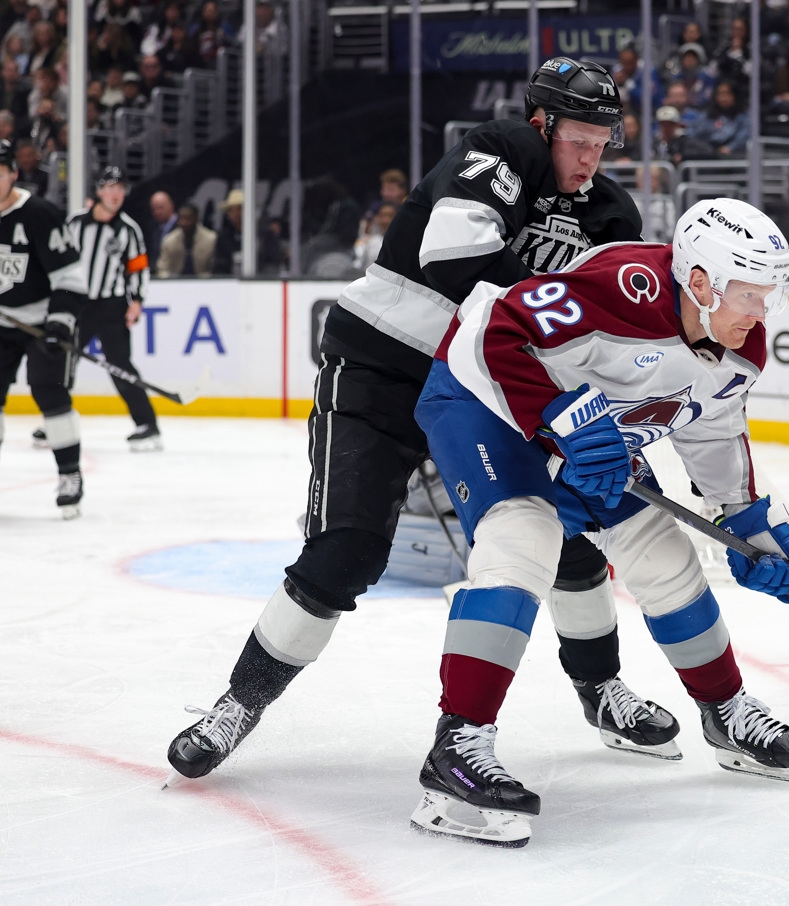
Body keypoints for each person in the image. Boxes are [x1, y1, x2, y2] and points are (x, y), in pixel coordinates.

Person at [164, 58, 662, 785]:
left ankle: (602, 689)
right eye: (578, 139)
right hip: (384, 367)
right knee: (347, 551)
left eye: (602, 142)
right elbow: (453, 257)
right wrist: (551, 313)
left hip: (486, 393)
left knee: (563, 541)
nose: (591, 157)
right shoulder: (501, 150)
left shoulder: (611, 215)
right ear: (541, 124)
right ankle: (238, 704)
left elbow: (605, 335)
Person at [411, 198, 789, 846]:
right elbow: (492, 333)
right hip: (485, 399)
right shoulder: (624, 288)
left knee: (663, 554)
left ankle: (725, 711)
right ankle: (456, 747)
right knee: (523, 538)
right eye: (750, 295)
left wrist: (744, 520)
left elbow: (712, 431)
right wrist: (560, 417)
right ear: (701, 282)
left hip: (584, 433)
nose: (761, 313)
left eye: (771, 296)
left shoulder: (742, 345)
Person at [0, 139, 88, 517]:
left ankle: (69, 474)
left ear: (13, 174)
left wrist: (59, 323)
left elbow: (70, 278)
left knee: (49, 392)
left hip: (41, 323)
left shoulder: (39, 214)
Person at [63, 166, 159, 451]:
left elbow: (138, 268)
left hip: (111, 305)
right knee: (63, 361)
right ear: (99, 191)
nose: (116, 194)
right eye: (110, 188)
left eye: (120, 189)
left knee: (120, 366)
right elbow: (58, 259)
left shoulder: (128, 229)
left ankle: (147, 425)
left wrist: (137, 301)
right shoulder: (75, 223)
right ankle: (56, 418)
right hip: (78, 303)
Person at [155, 204, 216, 277]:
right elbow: (162, 267)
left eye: (188, 218)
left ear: (196, 219)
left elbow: (214, 268)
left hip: (204, 281)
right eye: (181, 219)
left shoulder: (211, 239)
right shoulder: (169, 240)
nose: (184, 223)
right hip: (175, 281)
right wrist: (168, 279)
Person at [145, 189, 176, 271]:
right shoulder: (153, 229)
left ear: (171, 206)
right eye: (154, 209)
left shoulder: (182, 226)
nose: (157, 212)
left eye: (160, 208)